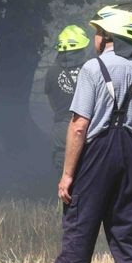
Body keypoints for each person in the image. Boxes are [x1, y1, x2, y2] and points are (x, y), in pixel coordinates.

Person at [47, 6, 132, 263]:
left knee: (78, 238)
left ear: (107, 37)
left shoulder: (93, 69)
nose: (95, 37)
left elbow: (79, 125)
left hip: (96, 156)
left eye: (98, 32)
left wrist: (67, 175)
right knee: (127, 241)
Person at [44, 25, 90, 169]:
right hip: (89, 127)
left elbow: (51, 100)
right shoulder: (91, 69)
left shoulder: (52, 72)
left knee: (63, 176)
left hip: (62, 129)